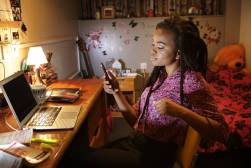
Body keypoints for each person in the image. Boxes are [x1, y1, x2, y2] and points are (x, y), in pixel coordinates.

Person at [80, 17, 228, 168]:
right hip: (136, 143)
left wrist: (181, 112)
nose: (152, 51)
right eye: (153, 44)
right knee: (81, 153)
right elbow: (135, 121)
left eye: (161, 46)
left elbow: (222, 133)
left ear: (178, 53)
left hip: (152, 157)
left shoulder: (191, 81)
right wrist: (116, 92)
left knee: (79, 159)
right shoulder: (160, 76)